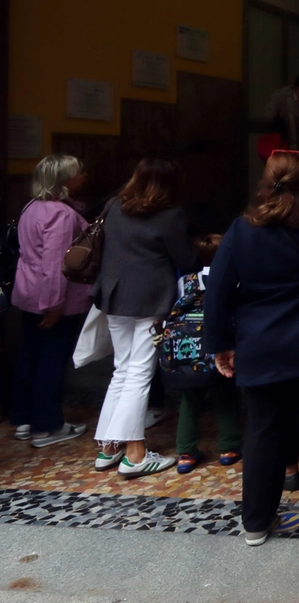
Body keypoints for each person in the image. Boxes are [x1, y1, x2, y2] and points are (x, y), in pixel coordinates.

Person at [205, 150, 299, 546]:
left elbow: (218, 292)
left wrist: (220, 346)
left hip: (260, 349)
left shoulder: (242, 229)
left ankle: (256, 523)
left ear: (265, 183)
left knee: (263, 434)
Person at [93, 158, 200, 477]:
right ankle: (136, 454)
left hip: (114, 295)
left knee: (122, 369)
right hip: (150, 299)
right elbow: (188, 259)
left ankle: (108, 446)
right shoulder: (170, 216)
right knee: (139, 373)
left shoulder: (113, 206)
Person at [10, 155, 92, 447]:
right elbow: (56, 265)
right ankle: (46, 427)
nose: (84, 175)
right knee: (51, 361)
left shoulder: (32, 207)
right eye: (78, 172)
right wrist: (55, 307)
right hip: (53, 300)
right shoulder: (60, 214)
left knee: (30, 355)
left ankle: (24, 418)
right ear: (66, 181)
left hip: (28, 295)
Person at [172, 234, 242, 474]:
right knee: (225, 395)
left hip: (188, 350)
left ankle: (185, 452)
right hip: (217, 346)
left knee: (189, 399)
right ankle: (229, 447)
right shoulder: (233, 279)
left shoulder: (185, 280)